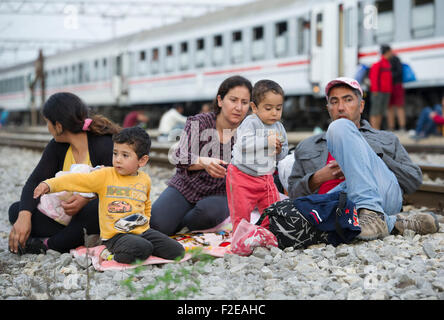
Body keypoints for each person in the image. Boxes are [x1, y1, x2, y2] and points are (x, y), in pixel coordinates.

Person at [287, 77, 439, 240]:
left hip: (382, 195)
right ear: (328, 108)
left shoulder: (386, 139)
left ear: (361, 106)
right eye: (334, 102)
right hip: (333, 203)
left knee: (340, 126)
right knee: (297, 215)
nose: (341, 107)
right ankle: (393, 223)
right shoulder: (308, 146)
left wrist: (367, 157)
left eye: (348, 100)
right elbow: (293, 194)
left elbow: (414, 180)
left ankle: (370, 211)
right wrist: (317, 178)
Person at [33, 127, 184, 264]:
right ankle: (109, 254)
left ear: (142, 160)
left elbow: (146, 204)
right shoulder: (105, 175)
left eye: (125, 155)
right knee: (143, 248)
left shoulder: (144, 179)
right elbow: (76, 180)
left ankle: (141, 247)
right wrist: (49, 184)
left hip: (141, 230)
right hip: (116, 235)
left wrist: (147, 223)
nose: (117, 159)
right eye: (115, 153)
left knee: (177, 251)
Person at [8, 92, 121, 255]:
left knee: (96, 208)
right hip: (67, 218)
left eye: (48, 122)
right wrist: (24, 217)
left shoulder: (103, 144)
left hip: (96, 214)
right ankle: (75, 238)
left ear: (58, 126)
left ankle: (50, 245)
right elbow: (35, 182)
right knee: (17, 210)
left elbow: (119, 185)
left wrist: (87, 198)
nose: (48, 127)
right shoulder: (57, 146)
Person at [150, 75, 252, 236]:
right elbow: (178, 155)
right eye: (233, 100)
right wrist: (202, 161)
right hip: (185, 186)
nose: (239, 107)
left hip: (221, 194)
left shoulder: (248, 133)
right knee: (157, 225)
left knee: (206, 215)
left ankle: (184, 222)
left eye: (244, 102)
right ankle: (176, 219)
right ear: (220, 100)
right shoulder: (200, 122)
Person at [226, 79, 288, 233]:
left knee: (272, 210)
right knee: (241, 212)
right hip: (242, 176)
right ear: (254, 107)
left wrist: (280, 151)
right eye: (268, 108)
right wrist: (266, 141)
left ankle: (268, 233)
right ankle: (241, 237)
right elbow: (243, 144)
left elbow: (283, 152)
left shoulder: (279, 127)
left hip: (266, 177)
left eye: (278, 108)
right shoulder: (250, 122)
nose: (274, 113)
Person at [369, 44, 393, 130]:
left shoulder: (387, 64)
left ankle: (377, 129)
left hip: (386, 91)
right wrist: (375, 90)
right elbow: (373, 78)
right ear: (387, 52)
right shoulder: (378, 64)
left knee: (381, 112)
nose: (392, 53)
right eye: (390, 52)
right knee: (375, 111)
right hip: (378, 91)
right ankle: (374, 130)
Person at [386, 51, 406, 132]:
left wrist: (388, 75)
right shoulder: (390, 60)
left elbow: (399, 72)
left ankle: (402, 127)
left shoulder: (395, 59)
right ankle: (392, 127)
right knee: (391, 107)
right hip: (391, 86)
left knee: (398, 106)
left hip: (396, 85)